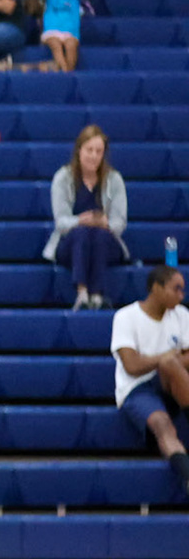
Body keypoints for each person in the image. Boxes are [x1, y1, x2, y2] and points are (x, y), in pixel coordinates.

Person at [111, 267, 189, 499]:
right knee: (162, 423)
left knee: (169, 366)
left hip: (172, 384)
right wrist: (166, 356)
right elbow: (132, 366)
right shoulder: (126, 316)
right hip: (137, 389)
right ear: (156, 288)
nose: (181, 296)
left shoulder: (182, 315)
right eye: (176, 289)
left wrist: (166, 360)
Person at [44, 126, 127, 311]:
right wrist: (81, 220)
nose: (94, 156)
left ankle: (97, 296)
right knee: (82, 233)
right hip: (71, 242)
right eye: (89, 150)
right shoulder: (63, 178)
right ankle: (82, 294)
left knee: (99, 235)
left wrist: (105, 223)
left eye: (99, 151)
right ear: (79, 150)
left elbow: (120, 222)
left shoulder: (114, 180)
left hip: (105, 240)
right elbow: (61, 222)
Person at [31, 0, 86, 73]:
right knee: (56, 46)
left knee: (71, 46)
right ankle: (63, 69)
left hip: (70, 31)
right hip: (52, 30)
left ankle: (69, 72)